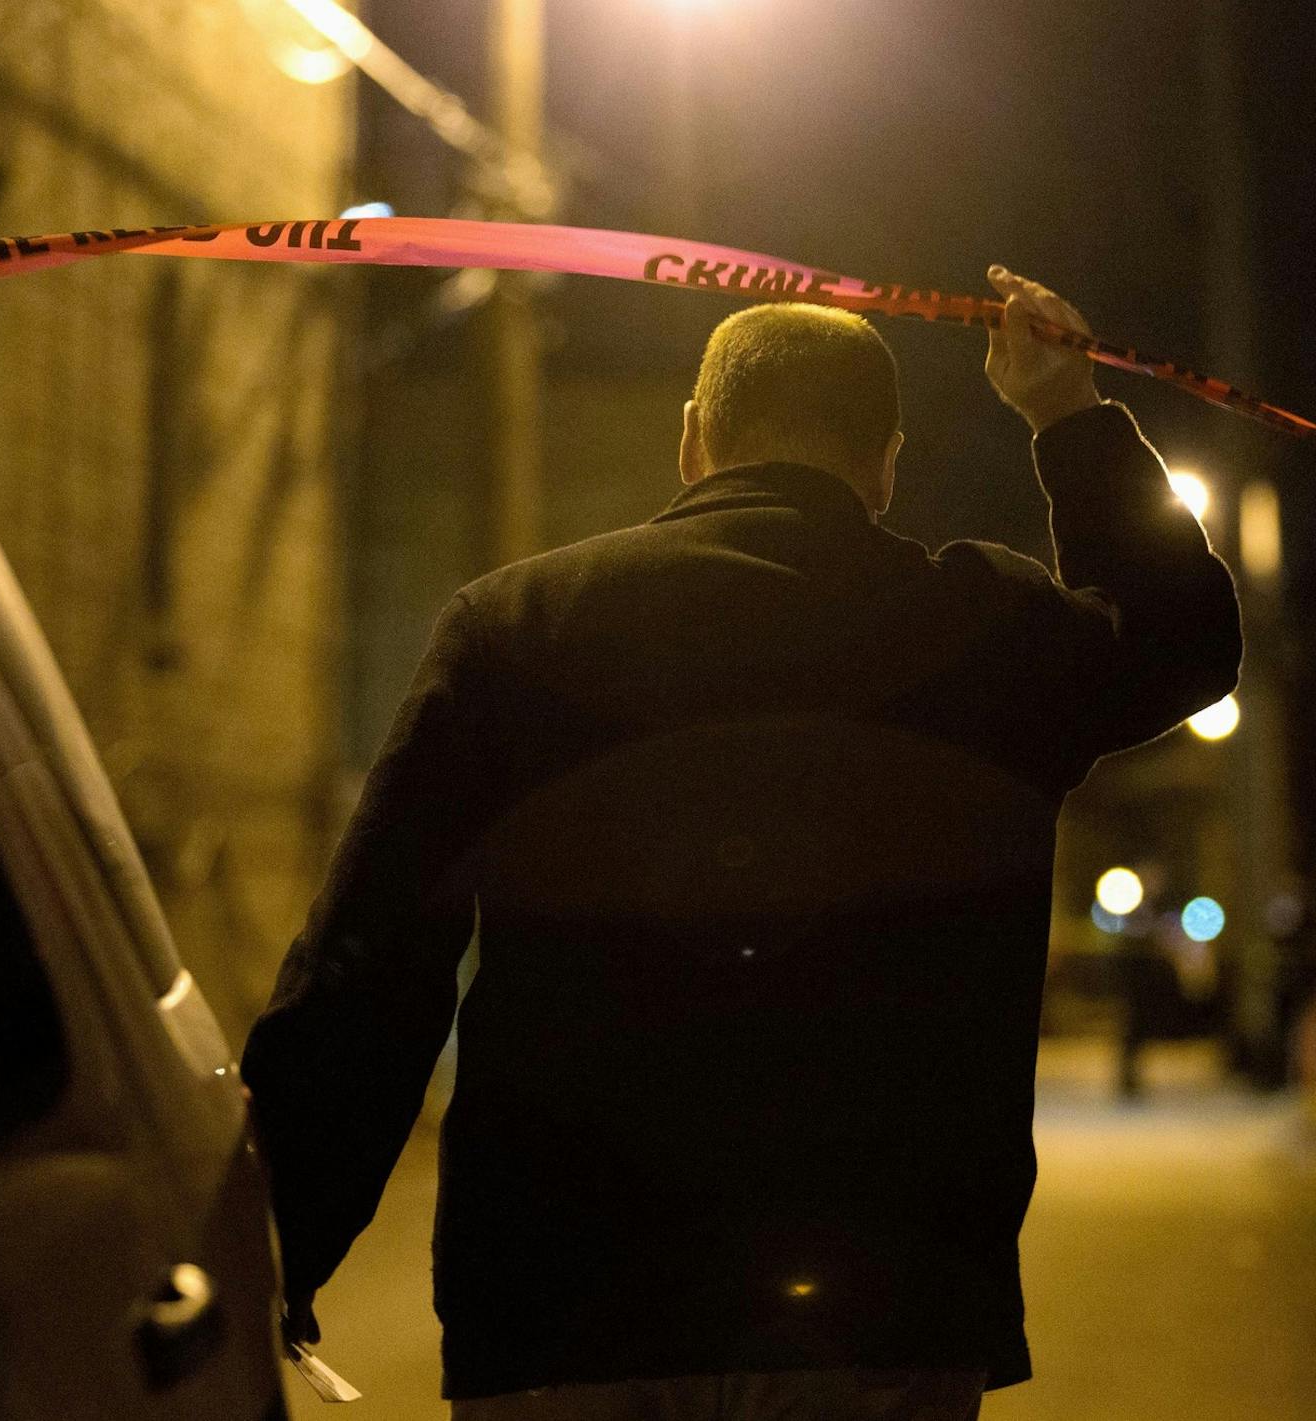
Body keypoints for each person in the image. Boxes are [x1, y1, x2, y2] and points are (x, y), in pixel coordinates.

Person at [241, 267, 1242, 1419]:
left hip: (564, 1308)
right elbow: (1183, 640)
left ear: (692, 439)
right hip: (882, 1313)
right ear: (885, 463)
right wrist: (1067, 413)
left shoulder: (516, 630)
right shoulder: (984, 633)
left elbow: (372, 961)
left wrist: (282, 1244)